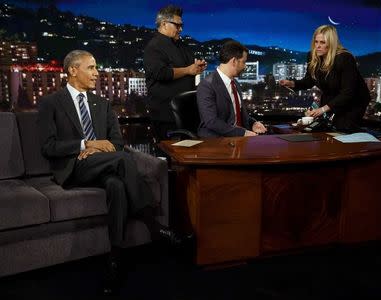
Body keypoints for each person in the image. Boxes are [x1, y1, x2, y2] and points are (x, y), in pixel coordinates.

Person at [38, 50, 187, 294]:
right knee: (122, 160)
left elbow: (117, 142)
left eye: (96, 68)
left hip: (105, 163)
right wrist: (86, 145)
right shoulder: (51, 103)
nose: (97, 73)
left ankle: (114, 259)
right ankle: (153, 225)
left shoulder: (102, 104)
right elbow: (48, 147)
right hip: (74, 166)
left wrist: (99, 152)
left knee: (117, 185)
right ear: (73, 70)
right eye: (91, 68)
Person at [280, 25, 370, 132]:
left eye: (322, 42)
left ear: (331, 44)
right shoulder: (312, 56)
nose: (318, 46)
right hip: (331, 96)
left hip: (354, 101)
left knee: (342, 128)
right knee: (323, 128)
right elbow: (309, 81)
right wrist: (291, 83)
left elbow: (348, 92)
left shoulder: (344, 58)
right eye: (316, 42)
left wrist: (323, 109)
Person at [144, 4, 207, 140]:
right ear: (164, 24)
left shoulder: (181, 45)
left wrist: (197, 67)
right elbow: (161, 73)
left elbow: (190, 69)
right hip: (166, 115)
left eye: (181, 25)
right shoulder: (153, 47)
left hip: (188, 113)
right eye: (177, 25)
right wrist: (189, 70)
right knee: (171, 156)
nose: (181, 29)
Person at [196, 40, 267, 137]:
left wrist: (253, 123)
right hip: (216, 141)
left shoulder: (235, 83)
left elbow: (238, 114)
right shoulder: (207, 85)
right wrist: (243, 133)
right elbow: (211, 121)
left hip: (238, 139)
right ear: (234, 61)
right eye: (244, 62)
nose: (245, 66)